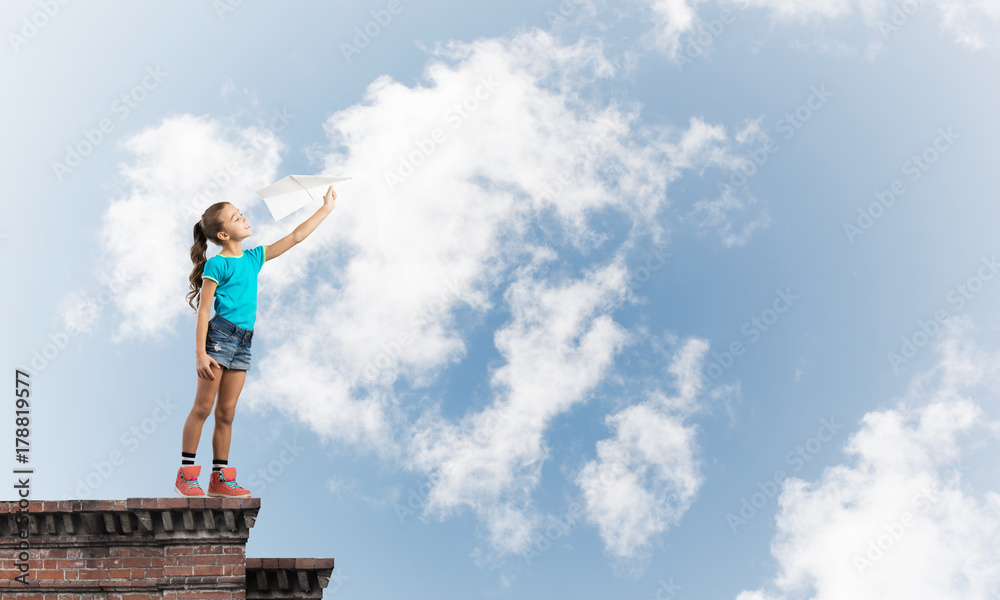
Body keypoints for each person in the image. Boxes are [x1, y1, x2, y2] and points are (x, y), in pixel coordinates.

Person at [174, 185, 337, 497]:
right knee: (203, 407)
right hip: (219, 337)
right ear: (223, 235)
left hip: (244, 342)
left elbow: (295, 236)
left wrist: (326, 208)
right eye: (236, 217)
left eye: (241, 213)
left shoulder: (254, 257)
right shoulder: (217, 264)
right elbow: (204, 310)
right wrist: (199, 354)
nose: (244, 218)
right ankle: (186, 474)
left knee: (227, 412)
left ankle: (218, 478)